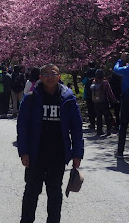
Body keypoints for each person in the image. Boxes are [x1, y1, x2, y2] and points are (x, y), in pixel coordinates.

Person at [17, 64, 84, 223]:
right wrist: (24, 152)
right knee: (31, 191)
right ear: (40, 77)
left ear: (59, 76)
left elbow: (76, 128)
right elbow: (22, 127)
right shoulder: (31, 98)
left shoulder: (68, 99)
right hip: (35, 154)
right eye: (45, 74)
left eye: (53, 73)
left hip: (58, 155)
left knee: (55, 192)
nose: (49, 77)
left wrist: (77, 153)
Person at [90, 69, 117, 136]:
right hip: (104, 101)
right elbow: (109, 92)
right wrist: (114, 100)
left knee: (99, 116)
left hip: (96, 102)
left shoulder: (94, 82)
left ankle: (99, 130)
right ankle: (108, 130)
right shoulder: (105, 82)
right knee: (106, 116)